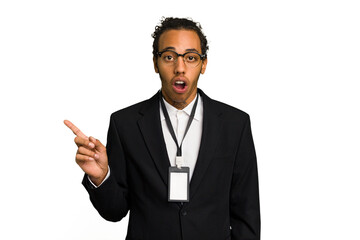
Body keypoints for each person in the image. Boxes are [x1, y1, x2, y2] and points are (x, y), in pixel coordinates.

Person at [65, 17, 260, 240]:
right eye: (169, 57)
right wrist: (101, 178)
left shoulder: (235, 124)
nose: (180, 68)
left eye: (191, 58)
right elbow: (114, 211)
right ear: (155, 63)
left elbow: (246, 214)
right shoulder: (125, 124)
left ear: (203, 64)